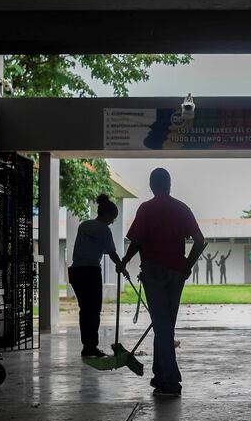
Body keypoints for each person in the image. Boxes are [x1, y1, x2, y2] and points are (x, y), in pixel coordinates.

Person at [120, 168, 205, 396]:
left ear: (151, 185)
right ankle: (161, 375)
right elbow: (200, 240)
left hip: (154, 272)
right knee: (165, 325)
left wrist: (125, 261)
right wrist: (187, 264)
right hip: (176, 273)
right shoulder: (181, 208)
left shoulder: (146, 209)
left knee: (162, 325)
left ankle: (170, 381)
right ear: (169, 184)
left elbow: (137, 241)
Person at [68, 194, 129, 358]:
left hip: (76, 271)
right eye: (113, 218)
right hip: (91, 271)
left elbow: (92, 247)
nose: (112, 222)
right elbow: (111, 253)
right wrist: (122, 268)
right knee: (94, 311)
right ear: (107, 215)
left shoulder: (84, 225)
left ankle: (87, 346)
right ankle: (91, 347)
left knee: (85, 310)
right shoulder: (104, 229)